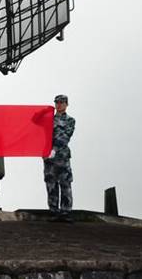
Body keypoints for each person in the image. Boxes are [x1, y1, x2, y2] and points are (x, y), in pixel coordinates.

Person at [44, 94, 76, 222]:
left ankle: (65, 213)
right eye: (57, 102)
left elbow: (65, 137)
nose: (59, 104)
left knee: (65, 184)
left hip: (62, 156)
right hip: (49, 158)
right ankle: (54, 212)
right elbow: (34, 124)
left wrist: (54, 149)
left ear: (66, 104)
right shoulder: (48, 120)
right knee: (51, 184)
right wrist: (41, 112)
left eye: (62, 102)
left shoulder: (70, 120)